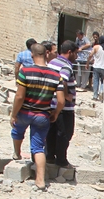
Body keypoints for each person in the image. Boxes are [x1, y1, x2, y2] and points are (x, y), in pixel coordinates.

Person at [10, 43, 64, 190]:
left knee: (17, 130)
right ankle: (40, 180)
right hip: (42, 115)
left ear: (32, 55)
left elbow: (20, 96)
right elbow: (61, 100)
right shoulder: (56, 75)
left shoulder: (25, 71)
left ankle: (17, 153)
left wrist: (13, 114)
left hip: (24, 112)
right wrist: (56, 112)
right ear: (46, 54)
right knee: (38, 147)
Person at [45, 40, 78, 168]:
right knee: (65, 133)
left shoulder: (52, 62)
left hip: (51, 104)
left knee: (52, 132)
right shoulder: (66, 66)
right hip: (63, 107)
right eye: (75, 54)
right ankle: (61, 159)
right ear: (70, 52)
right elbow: (62, 80)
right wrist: (65, 96)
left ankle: (50, 156)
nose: (76, 57)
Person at [88, 35, 104, 101]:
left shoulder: (96, 47)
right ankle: (101, 92)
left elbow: (90, 55)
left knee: (95, 81)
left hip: (96, 67)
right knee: (103, 82)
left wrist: (87, 63)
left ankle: (95, 96)